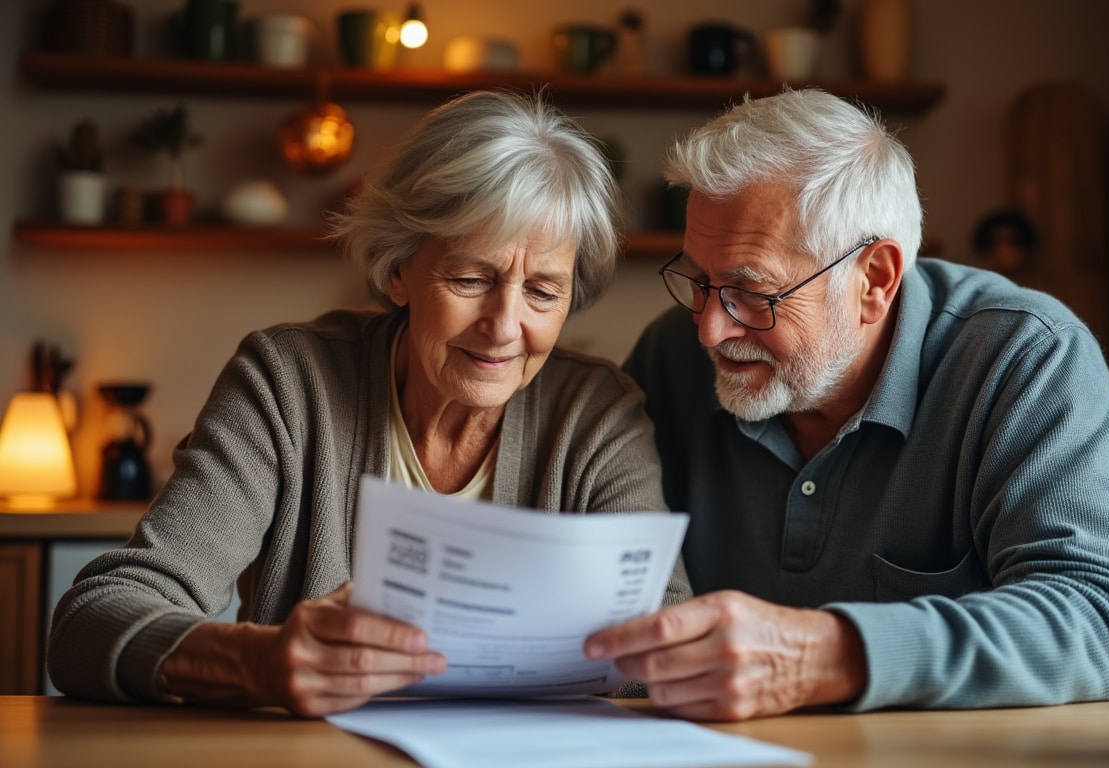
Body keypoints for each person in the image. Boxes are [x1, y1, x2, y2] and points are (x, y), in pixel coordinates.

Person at [48, 90, 690, 717]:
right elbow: (92, 620)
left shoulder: (596, 413)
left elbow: (666, 650)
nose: (504, 325)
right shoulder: (288, 384)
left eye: (543, 292)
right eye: (471, 279)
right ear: (397, 271)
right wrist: (258, 664)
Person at [583, 89, 1109, 721]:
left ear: (875, 279)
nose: (710, 330)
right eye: (697, 280)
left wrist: (827, 655)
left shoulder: (1024, 356)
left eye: (752, 292)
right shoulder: (672, 354)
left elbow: (1102, 623)